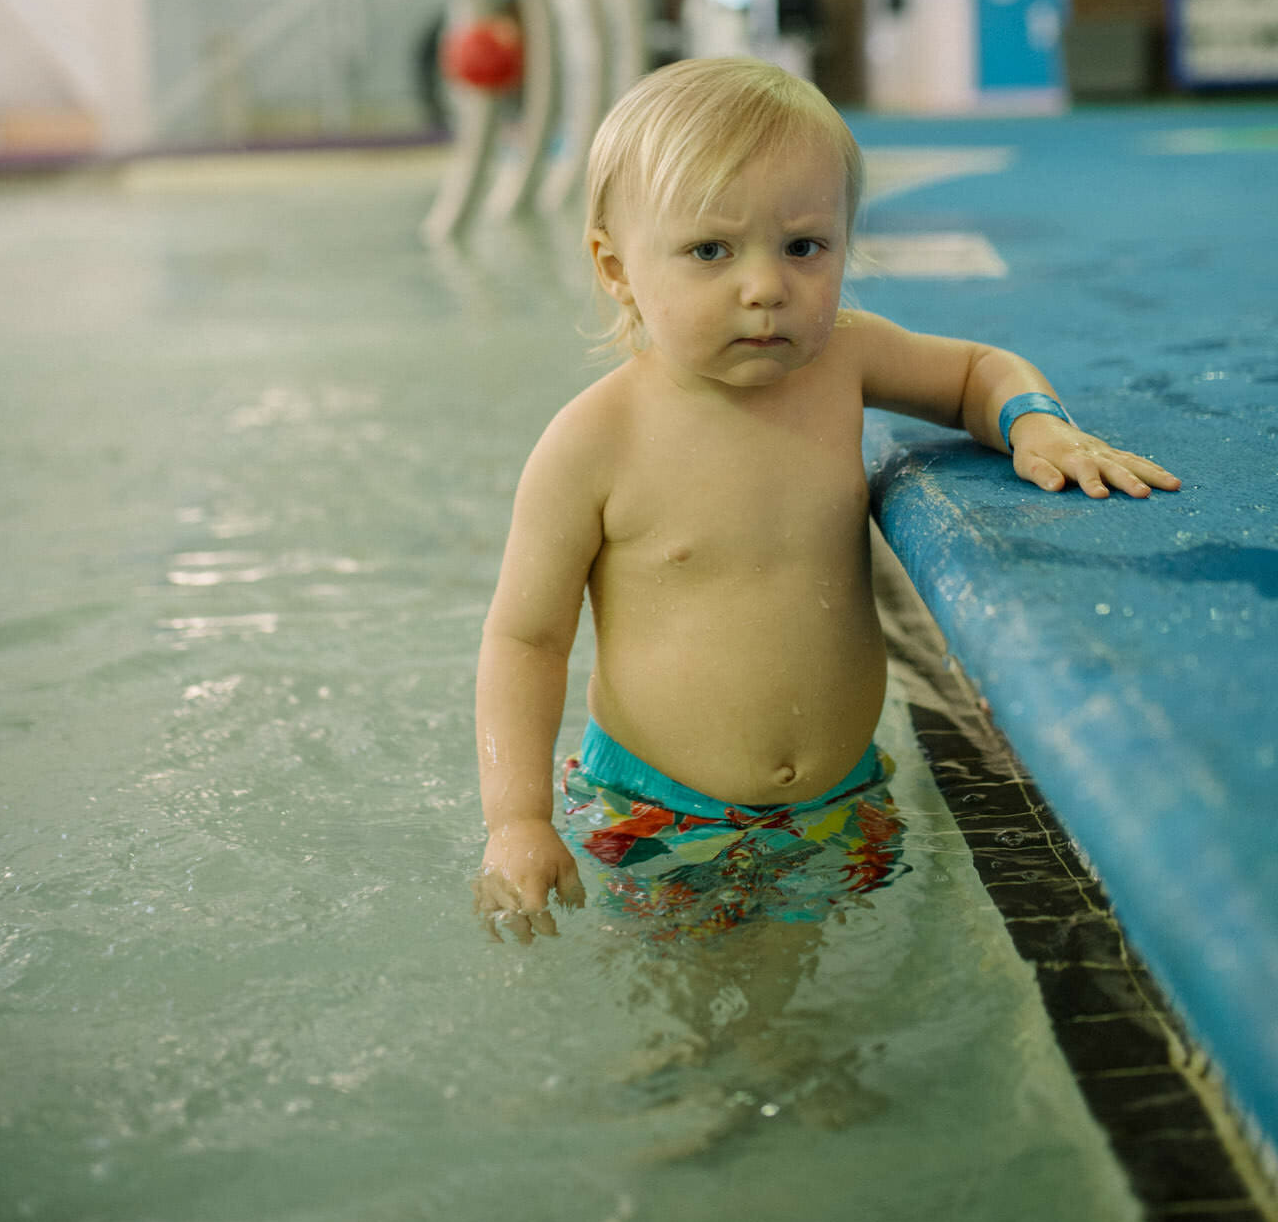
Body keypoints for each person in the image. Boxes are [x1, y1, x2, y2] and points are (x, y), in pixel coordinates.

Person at [474, 58, 1179, 944]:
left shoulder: (841, 361)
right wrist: (519, 821)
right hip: (661, 810)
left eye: (804, 246)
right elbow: (525, 638)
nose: (766, 285)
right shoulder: (593, 442)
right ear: (616, 269)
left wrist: (1035, 423)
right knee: (717, 1036)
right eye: (710, 251)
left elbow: (974, 369)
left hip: (841, 796)